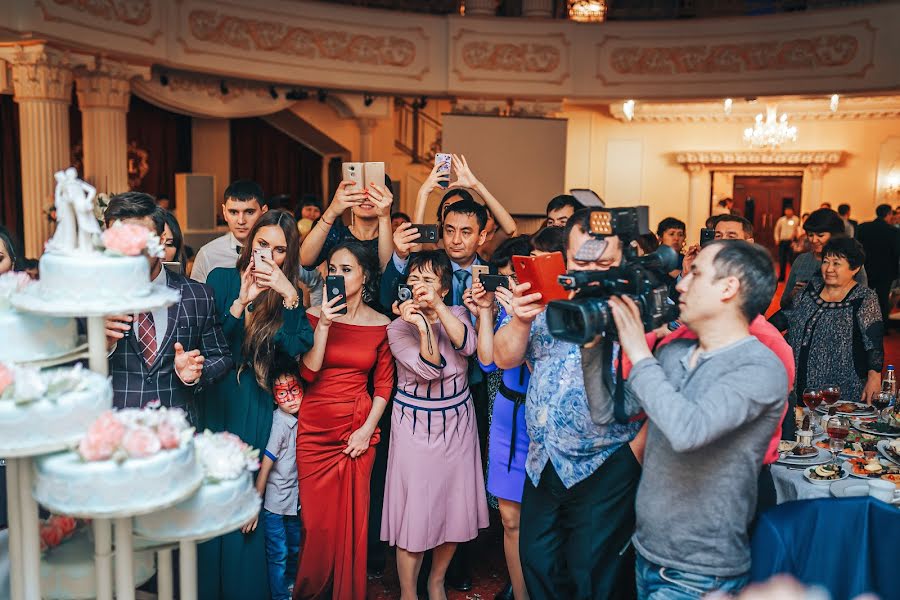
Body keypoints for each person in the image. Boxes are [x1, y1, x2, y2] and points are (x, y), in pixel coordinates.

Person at [610, 241, 788, 599]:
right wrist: (593, 347)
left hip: (702, 573)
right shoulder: (675, 349)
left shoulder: (762, 367)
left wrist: (639, 353)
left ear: (728, 287)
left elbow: (687, 432)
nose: (680, 284)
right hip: (646, 550)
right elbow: (616, 411)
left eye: (695, 273)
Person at [493, 209, 642, 600]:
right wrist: (521, 322)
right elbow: (504, 357)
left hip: (606, 463)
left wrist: (634, 455)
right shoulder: (547, 299)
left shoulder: (638, 308)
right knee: (537, 561)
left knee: (592, 577)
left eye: (604, 262)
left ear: (622, 260)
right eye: (581, 261)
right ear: (565, 258)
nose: (591, 270)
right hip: (544, 461)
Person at [198, 209, 314, 600]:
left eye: (279, 249)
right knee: (213, 493)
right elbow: (213, 346)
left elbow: (297, 350)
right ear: (250, 243)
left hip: (256, 403)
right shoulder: (221, 278)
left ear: (288, 255)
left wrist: (288, 294)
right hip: (219, 401)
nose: (268, 254)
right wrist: (240, 301)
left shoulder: (292, 292)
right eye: (262, 244)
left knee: (247, 502)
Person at [383, 251, 489, 600]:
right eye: (413, 280)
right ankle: (409, 593)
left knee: (453, 508)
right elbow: (430, 367)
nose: (419, 287)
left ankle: (437, 581)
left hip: (458, 422)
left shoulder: (457, 313)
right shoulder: (398, 327)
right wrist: (422, 324)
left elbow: (469, 346)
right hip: (414, 424)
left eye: (428, 281)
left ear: (444, 288)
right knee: (415, 513)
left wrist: (439, 311)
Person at [295, 241, 394, 600]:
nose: (337, 276)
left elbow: (384, 383)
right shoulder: (311, 315)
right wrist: (322, 325)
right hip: (314, 429)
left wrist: (367, 430)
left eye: (347, 270)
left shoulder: (382, 324)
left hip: (357, 429)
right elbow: (308, 373)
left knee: (353, 524)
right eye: (332, 270)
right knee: (316, 525)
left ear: (365, 276)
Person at [103, 194, 232, 423]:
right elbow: (69, 371)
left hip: (178, 426)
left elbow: (220, 356)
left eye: (140, 242)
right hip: (115, 427)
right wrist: (101, 345)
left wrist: (195, 372)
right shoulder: (94, 299)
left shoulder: (198, 295)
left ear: (162, 240)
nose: (131, 252)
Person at [465, 235, 531, 600]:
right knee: (510, 519)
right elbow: (488, 361)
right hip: (508, 414)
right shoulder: (504, 313)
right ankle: (519, 593)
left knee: (543, 519)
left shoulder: (550, 310)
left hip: (541, 417)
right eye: (504, 277)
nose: (511, 285)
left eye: (518, 277)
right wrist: (488, 311)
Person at [771, 237, 884, 404]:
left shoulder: (864, 298)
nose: (829, 268)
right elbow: (783, 317)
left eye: (836, 263)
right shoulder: (810, 289)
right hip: (798, 382)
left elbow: (873, 343)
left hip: (840, 390)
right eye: (825, 262)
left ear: (855, 269)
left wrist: (874, 377)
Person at [252, 355, 304, 600]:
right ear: (274, 397)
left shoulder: (302, 418)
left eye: (294, 390)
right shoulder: (280, 424)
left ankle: (291, 588)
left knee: (294, 549)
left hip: (294, 504)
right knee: (279, 554)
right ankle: (280, 596)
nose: (291, 398)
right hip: (275, 506)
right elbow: (266, 464)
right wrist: (255, 502)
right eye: (283, 393)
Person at [383, 198, 489, 310]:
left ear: (481, 237)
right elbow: (387, 301)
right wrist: (400, 256)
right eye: (450, 231)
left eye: (465, 232)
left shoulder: (493, 272)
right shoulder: (426, 264)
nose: (456, 240)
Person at [299, 177, 394, 270]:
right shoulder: (336, 234)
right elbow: (304, 260)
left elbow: (387, 272)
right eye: (360, 192)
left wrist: (384, 216)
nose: (366, 198)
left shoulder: (396, 241)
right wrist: (331, 211)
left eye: (373, 193)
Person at [781, 208, 867, 310]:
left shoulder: (851, 262)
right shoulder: (801, 260)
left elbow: (862, 304)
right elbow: (784, 303)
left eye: (820, 235)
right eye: (810, 235)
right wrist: (793, 295)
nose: (814, 240)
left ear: (835, 235)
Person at [191, 180, 268, 283]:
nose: (241, 221)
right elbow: (197, 298)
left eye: (249, 212)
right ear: (224, 212)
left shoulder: (277, 252)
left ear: (263, 212)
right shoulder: (208, 254)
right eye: (233, 212)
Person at [856, 204, 900, 325]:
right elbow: (897, 252)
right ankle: (882, 326)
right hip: (885, 271)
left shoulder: (863, 227)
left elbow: (856, 248)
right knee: (882, 300)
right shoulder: (893, 231)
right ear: (888, 214)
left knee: (862, 297)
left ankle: (860, 323)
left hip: (865, 268)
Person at [774, 207, 800, 282]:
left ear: (792, 211)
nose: (788, 212)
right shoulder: (781, 220)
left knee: (792, 260)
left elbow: (797, 229)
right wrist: (777, 239)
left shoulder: (796, 219)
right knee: (782, 260)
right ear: (785, 211)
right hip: (782, 241)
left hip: (791, 242)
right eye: (787, 210)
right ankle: (782, 277)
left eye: (790, 210)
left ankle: (794, 278)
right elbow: (777, 230)